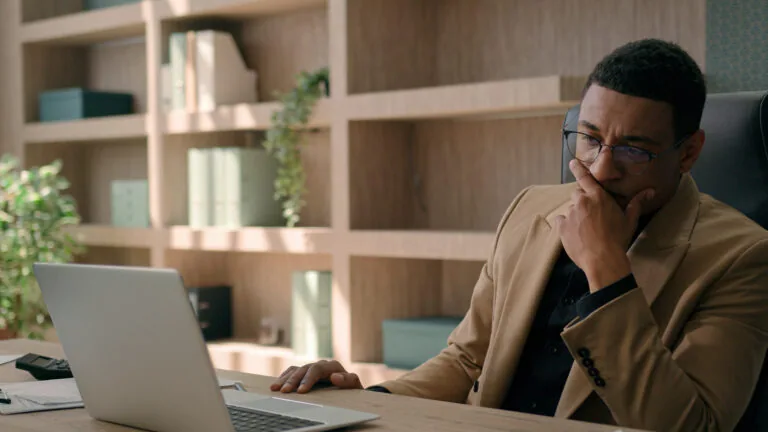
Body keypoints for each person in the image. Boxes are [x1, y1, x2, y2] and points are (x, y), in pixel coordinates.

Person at [270, 39, 768, 431]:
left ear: (689, 152)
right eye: (590, 138)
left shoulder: (743, 257)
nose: (601, 169)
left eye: (633, 149)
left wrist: (607, 272)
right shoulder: (531, 209)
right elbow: (467, 360)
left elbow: (690, 425)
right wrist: (364, 403)